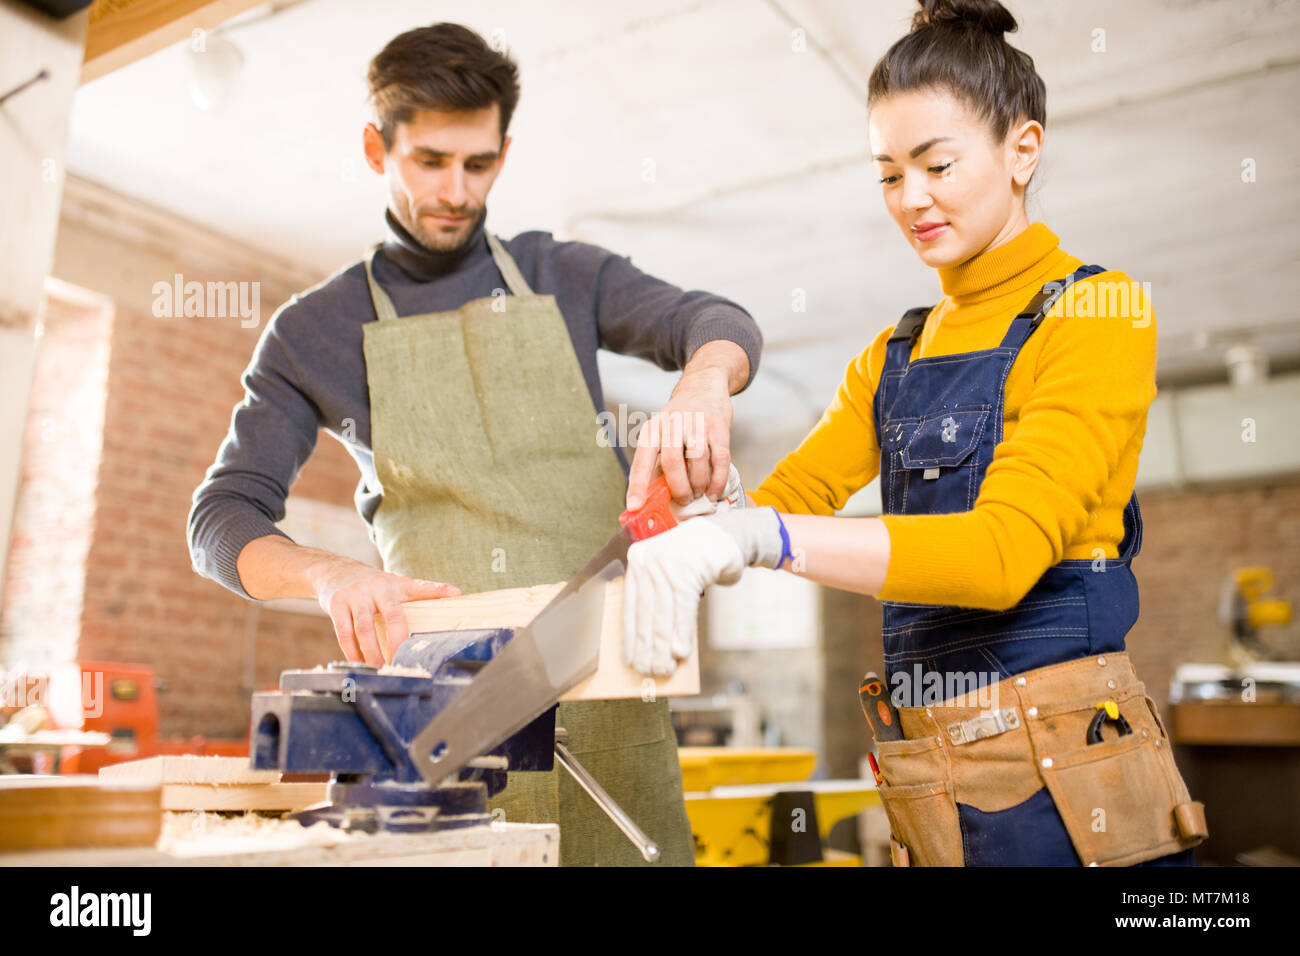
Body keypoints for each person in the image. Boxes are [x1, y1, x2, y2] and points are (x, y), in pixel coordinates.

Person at [620, 0, 1208, 867]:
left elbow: (1001, 556)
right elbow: (788, 502)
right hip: (934, 784)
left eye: (937, 164)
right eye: (888, 174)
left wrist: (763, 535)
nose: (912, 199)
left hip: (1073, 788)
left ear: (1022, 151)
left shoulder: (1097, 312)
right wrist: (701, 511)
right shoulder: (893, 354)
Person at [187, 22, 763, 867]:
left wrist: (704, 383)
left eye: (480, 163)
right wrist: (328, 574)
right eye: (430, 161)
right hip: (450, 723)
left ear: (502, 150)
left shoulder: (562, 273)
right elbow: (219, 517)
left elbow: (716, 321)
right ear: (375, 147)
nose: (457, 190)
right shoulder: (312, 330)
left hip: (616, 692)